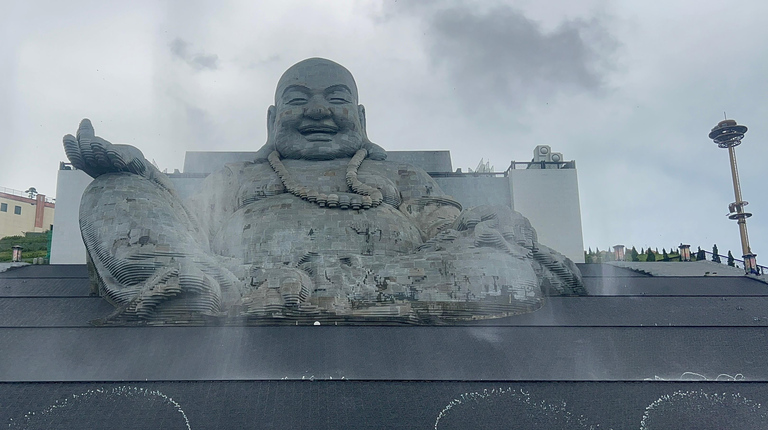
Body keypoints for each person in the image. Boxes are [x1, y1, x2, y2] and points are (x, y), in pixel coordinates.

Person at [63, 58, 584, 323]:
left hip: (393, 278)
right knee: (110, 195)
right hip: (232, 272)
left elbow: (447, 229)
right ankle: (216, 290)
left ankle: (246, 298)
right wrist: (140, 176)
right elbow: (183, 224)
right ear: (272, 119)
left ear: (359, 117)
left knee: (499, 254)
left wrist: (494, 231)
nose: (317, 112)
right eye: (298, 100)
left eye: (335, 99)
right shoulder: (238, 179)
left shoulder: (401, 179)